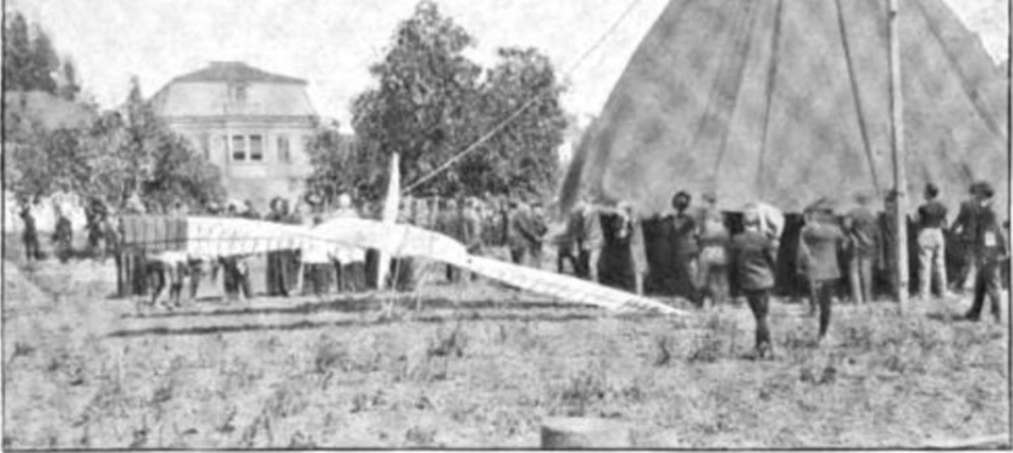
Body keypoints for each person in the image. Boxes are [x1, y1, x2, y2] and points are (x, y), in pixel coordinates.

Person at [731, 208, 779, 358]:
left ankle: (761, 346)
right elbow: (772, 259)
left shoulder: (737, 239)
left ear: (743, 222)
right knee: (762, 315)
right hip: (764, 280)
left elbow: (734, 261)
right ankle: (767, 347)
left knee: (758, 315)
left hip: (747, 281)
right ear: (758, 222)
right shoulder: (764, 239)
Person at [797, 199, 845, 344]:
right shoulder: (834, 230)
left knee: (814, 295)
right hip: (830, 270)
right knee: (827, 305)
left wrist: (801, 266)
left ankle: (813, 313)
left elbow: (801, 251)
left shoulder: (807, 230)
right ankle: (823, 333)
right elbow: (843, 243)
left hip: (814, 268)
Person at [963, 182, 1007, 322]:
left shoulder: (991, 211)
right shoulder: (983, 209)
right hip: (983, 251)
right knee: (979, 284)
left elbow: (996, 233)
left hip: (989, 253)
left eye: (977, 193)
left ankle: (998, 315)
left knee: (993, 284)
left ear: (983, 194)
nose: (974, 195)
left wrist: (988, 253)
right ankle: (974, 312)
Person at [843, 192, 879, 304]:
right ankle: (868, 298)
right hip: (869, 245)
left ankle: (857, 299)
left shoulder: (852, 213)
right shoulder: (873, 214)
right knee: (866, 272)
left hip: (855, 244)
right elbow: (876, 231)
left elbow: (846, 227)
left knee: (854, 272)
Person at [914, 183, 949, 300]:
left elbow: (916, 221)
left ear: (928, 194)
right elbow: (945, 224)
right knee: (940, 264)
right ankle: (943, 292)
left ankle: (924, 294)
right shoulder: (943, 208)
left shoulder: (922, 208)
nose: (923, 193)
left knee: (925, 265)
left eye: (925, 192)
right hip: (938, 233)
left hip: (926, 232)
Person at [697, 195, 730, 307]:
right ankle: (721, 302)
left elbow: (701, 237)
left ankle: (707, 302)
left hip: (707, 253)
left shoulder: (705, 218)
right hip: (720, 253)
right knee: (721, 279)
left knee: (706, 280)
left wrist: (703, 238)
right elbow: (726, 238)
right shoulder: (722, 223)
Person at [951, 184, 984, 292]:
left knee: (967, 263)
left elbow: (960, 219)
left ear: (970, 192)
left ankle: (959, 286)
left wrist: (952, 230)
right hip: (980, 238)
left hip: (969, 237)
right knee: (979, 262)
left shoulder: (966, 204)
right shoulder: (982, 206)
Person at [331, 193, 366, 292]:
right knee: (343, 265)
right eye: (341, 202)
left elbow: (358, 228)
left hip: (352, 243)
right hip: (341, 243)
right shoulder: (336, 215)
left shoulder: (353, 214)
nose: (343, 204)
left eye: (344, 202)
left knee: (355, 264)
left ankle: (358, 286)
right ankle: (345, 287)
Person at [670, 191, 700, 302]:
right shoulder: (690, 218)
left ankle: (696, 296)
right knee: (691, 273)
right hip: (690, 248)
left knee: (690, 274)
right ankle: (694, 295)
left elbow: (678, 230)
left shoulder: (682, 219)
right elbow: (696, 233)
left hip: (685, 249)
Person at [576, 198, 604, 281]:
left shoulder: (590, 212)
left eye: (580, 205)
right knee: (589, 262)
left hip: (595, 240)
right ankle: (590, 279)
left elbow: (585, 228)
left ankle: (595, 282)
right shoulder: (589, 211)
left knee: (592, 264)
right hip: (592, 240)